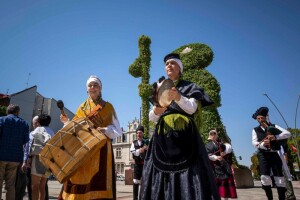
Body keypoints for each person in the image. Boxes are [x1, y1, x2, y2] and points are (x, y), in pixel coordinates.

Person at [140, 53, 220, 199]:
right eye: (166, 64)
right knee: (157, 169)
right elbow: (152, 117)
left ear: (180, 68)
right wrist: (157, 110)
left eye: (172, 63)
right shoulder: (158, 87)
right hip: (162, 137)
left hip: (185, 136)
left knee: (190, 171)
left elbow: (192, 108)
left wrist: (178, 97)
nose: (169, 66)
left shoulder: (190, 86)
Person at [59, 75, 122, 199]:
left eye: (95, 85)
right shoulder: (81, 107)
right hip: (84, 149)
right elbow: (75, 129)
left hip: (101, 150)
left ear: (100, 88)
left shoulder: (108, 107)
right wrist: (66, 122)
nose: (93, 87)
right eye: (90, 85)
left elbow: (117, 130)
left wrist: (105, 129)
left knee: (98, 182)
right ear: (86, 89)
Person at [252, 106, 291, 200]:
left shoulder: (274, 126)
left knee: (279, 178)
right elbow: (254, 143)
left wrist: (275, 137)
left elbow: (288, 134)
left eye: (262, 118)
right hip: (263, 155)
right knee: (264, 177)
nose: (260, 120)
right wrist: (263, 145)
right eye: (258, 118)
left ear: (266, 117)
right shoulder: (255, 130)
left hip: (275, 153)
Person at [0, 104, 29, 200]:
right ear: (18, 112)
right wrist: (25, 160)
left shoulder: (2, 120)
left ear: (7, 111)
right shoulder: (24, 123)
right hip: (15, 158)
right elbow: (26, 143)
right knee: (11, 185)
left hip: (1, 156)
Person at [206, 129, 237, 199]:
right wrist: (216, 157)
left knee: (226, 190)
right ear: (209, 136)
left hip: (225, 168)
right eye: (211, 134)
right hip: (216, 168)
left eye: (214, 134)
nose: (213, 135)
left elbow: (229, 149)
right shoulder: (208, 145)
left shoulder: (221, 144)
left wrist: (224, 152)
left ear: (216, 135)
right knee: (217, 189)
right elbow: (208, 155)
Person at [29, 114, 54, 200]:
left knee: (35, 185)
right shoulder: (52, 132)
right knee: (43, 186)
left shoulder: (37, 130)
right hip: (48, 162)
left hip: (37, 160)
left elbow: (31, 144)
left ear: (39, 122)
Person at [130, 125, 148, 200]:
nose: (139, 134)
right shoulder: (134, 143)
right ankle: (135, 198)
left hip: (145, 166)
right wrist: (140, 150)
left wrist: (147, 148)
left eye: (140, 133)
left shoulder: (146, 142)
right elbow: (133, 152)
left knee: (145, 183)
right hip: (137, 165)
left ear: (143, 134)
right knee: (136, 182)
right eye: (137, 133)